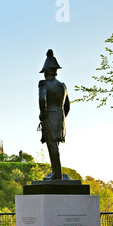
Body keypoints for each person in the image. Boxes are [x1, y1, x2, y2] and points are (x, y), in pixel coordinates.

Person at [38, 49, 70, 180]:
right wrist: (61, 116)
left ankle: (57, 175)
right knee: (55, 145)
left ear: (46, 71)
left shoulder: (44, 84)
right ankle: (57, 172)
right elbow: (67, 106)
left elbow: (42, 99)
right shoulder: (63, 86)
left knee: (52, 145)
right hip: (60, 116)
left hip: (49, 116)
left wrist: (43, 114)